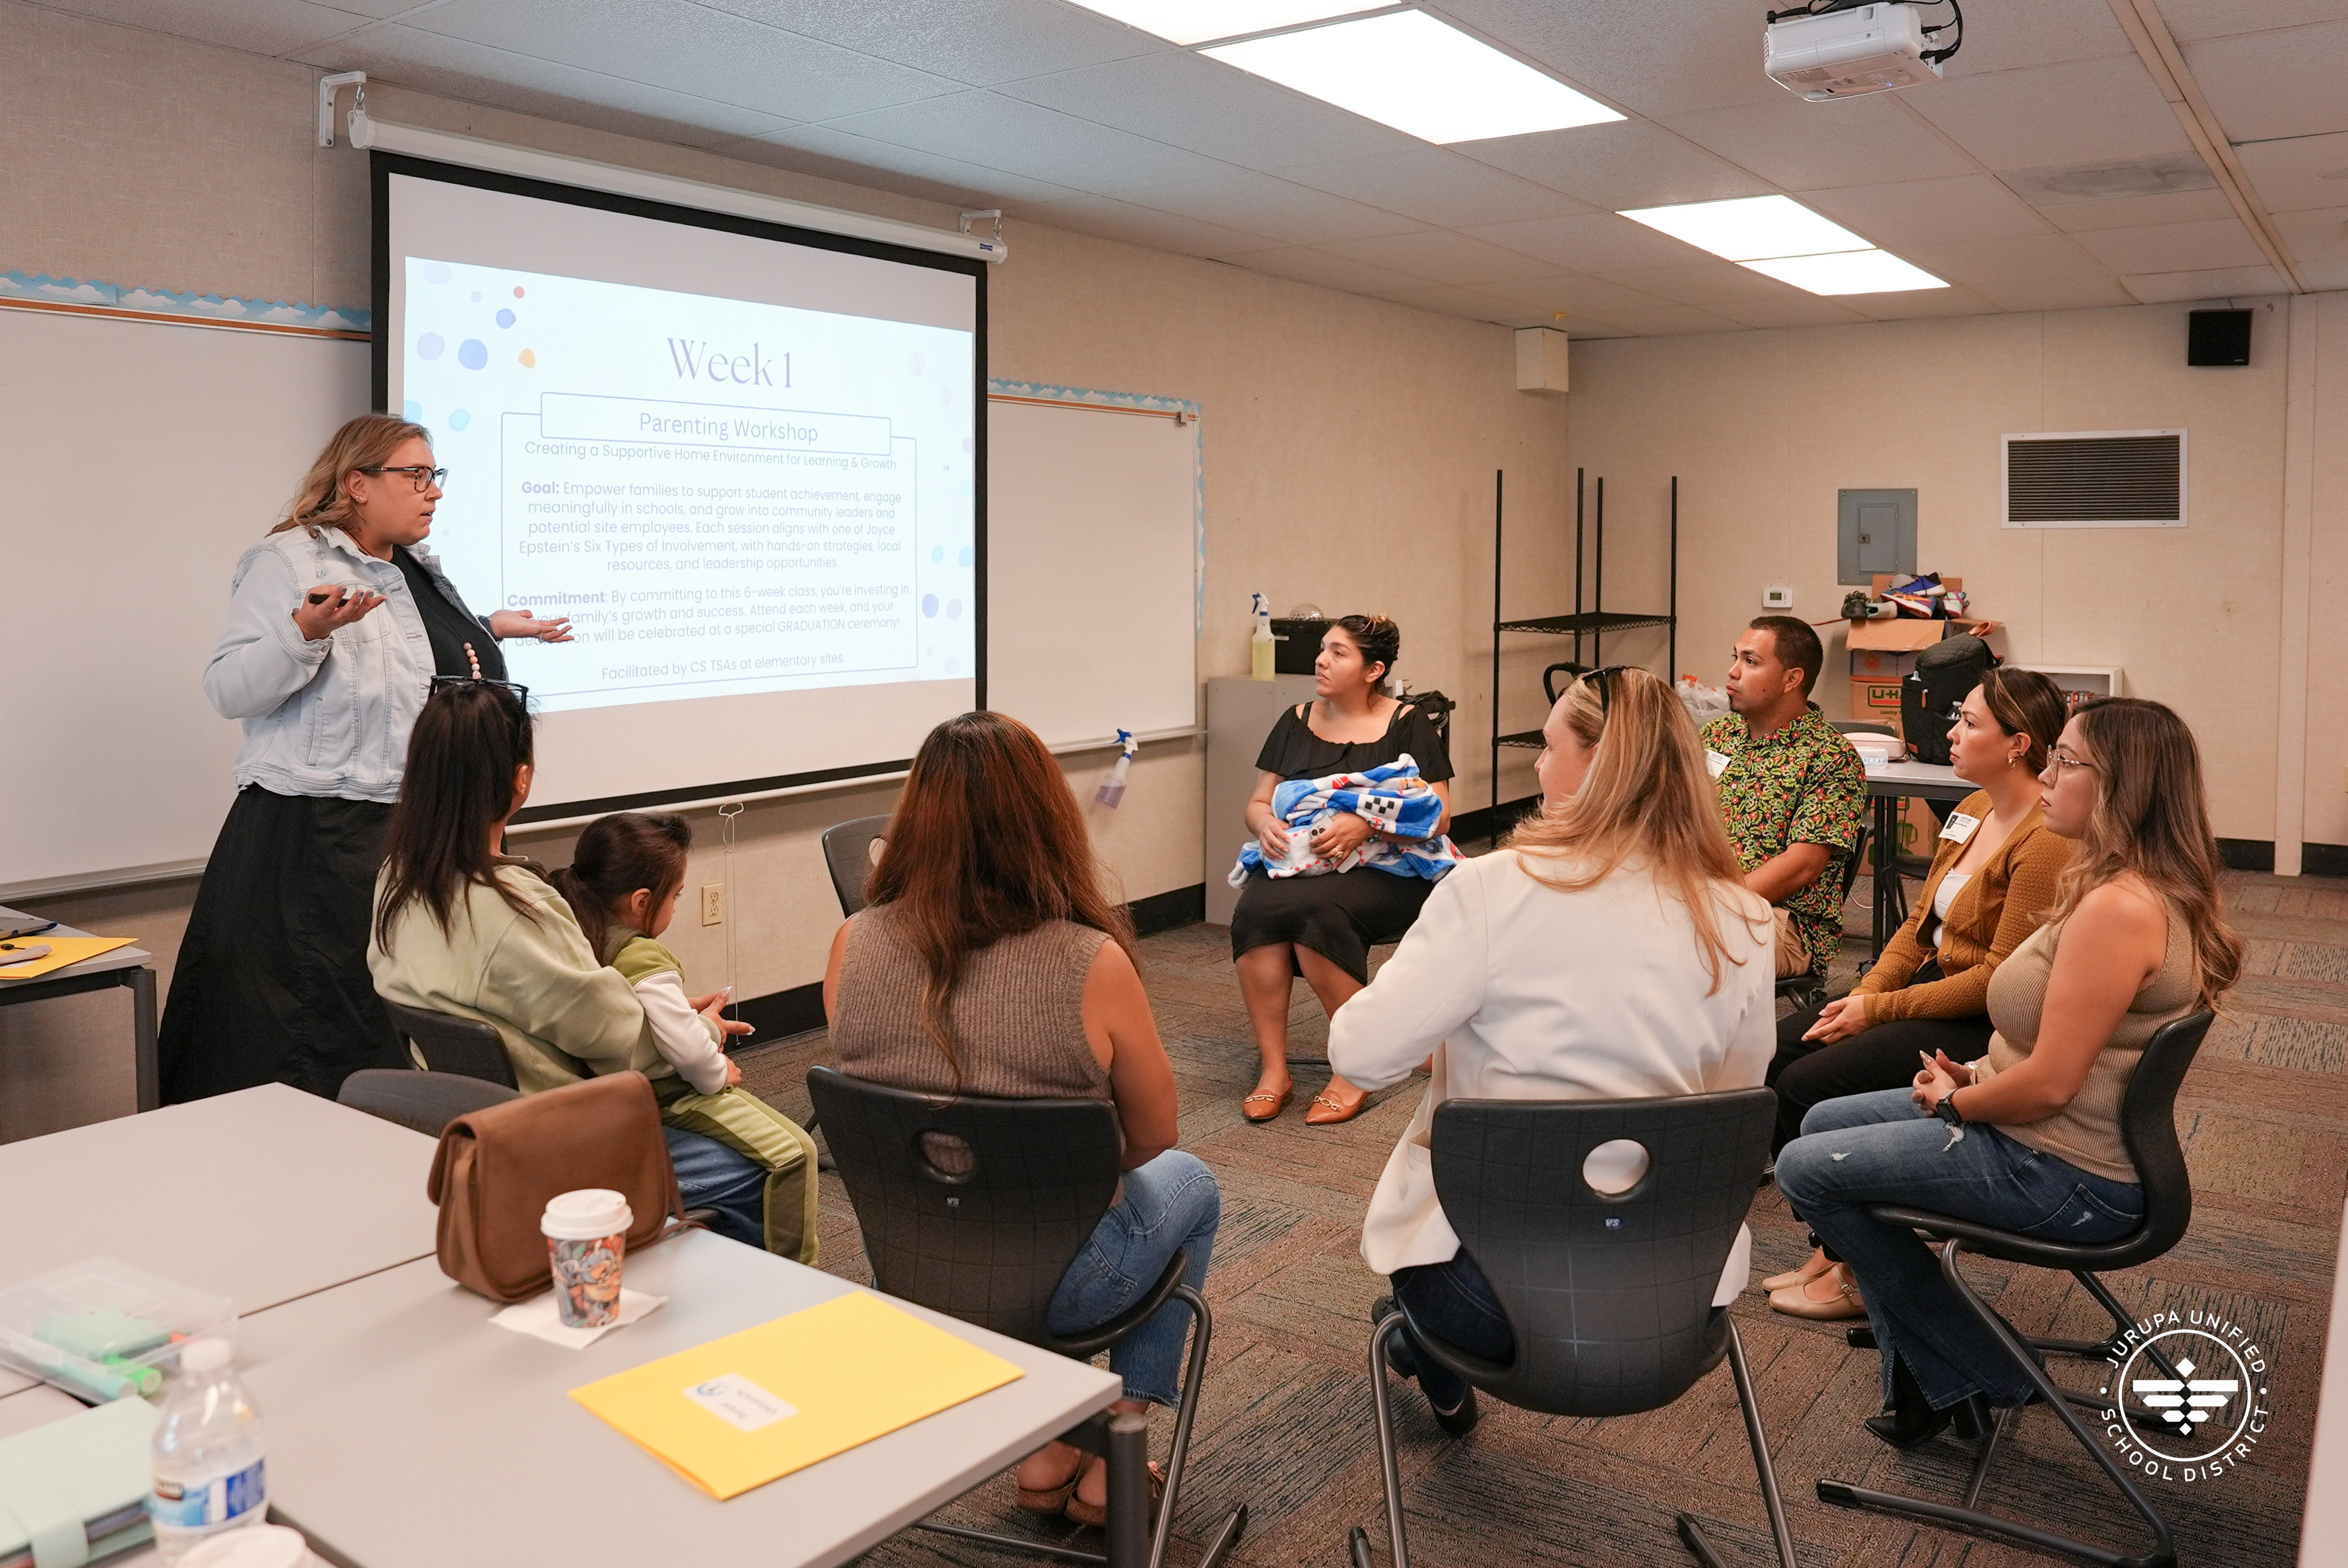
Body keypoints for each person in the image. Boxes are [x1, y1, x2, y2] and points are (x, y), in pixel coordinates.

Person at [1774, 698, 2242, 1448]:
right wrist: (1974, 1078)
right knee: (1821, 1122)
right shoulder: (2124, 884)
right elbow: (2063, 1058)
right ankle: (1932, 1377)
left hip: (2066, 1171)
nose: (2047, 777)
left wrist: (1959, 1103)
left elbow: (2051, 1086)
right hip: (2055, 1138)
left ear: (2121, 785)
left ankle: (1986, 1368)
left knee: (1807, 1169)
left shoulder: (2119, 909)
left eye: (2067, 762)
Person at [1329, 667, 1775, 1435]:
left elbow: (1361, 1057)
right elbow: (1734, 1098)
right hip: (1679, 1299)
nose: (1539, 767)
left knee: (1427, 1203)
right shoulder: (1744, 919)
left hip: (1494, 1306)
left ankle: (1426, 1350)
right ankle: (1422, 1347)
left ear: (1596, 763)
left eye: (1548, 746)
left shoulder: (1491, 890)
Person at [823, 710, 1218, 1528]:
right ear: (1046, 819)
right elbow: (1156, 1135)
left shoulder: (851, 944)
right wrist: (1060, 1164)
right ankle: (1115, 1448)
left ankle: (1047, 1446)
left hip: (914, 1271)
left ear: (914, 820)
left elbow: (878, 1105)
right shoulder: (1089, 961)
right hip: (1064, 1282)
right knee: (1194, 1186)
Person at [161, 414, 573, 1103]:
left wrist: (488, 630)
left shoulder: (414, 568)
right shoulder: (288, 562)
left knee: (395, 1026)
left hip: (405, 831)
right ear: (358, 483)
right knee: (307, 1039)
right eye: (416, 475)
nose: (433, 491)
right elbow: (228, 689)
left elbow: (404, 664)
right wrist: (304, 632)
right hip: (314, 842)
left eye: (435, 476)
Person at [368, 682, 770, 1249]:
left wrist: (669, 1012)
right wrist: (700, 1031)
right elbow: (618, 1041)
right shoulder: (516, 905)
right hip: (555, 1137)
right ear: (521, 779)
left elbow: (547, 1005)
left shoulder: (397, 882)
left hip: (461, 1125)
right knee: (758, 1169)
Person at [1764, 669, 2074, 1321]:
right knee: (1775, 1051)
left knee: (1806, 1084)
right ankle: (1835, 1242)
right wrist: (1866, 992)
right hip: (1925, 988)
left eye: (1969, 723)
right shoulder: (1973, 808)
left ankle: (1856, 1265)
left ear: (2017, 745)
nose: (1950, 734)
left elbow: (1996, 978)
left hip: (1981, 1017)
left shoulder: (2043, 840)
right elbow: (1917, 924)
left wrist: (1878, 1009)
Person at [548, 811, 822, 1263]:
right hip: (673, 1096)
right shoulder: (644, 957)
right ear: (642, 901)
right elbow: (691, 1053)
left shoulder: (581, 935)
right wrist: (720, 1073)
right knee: (796, 1153)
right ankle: (802, 1272)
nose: (676, 907)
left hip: (620, 1093)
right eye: (675, 896)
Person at [1230, 615, 1453, 1126]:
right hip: (1305, 861)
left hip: (1392, 868)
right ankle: (1274, 1069)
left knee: (1318, 916)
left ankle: (1357, 1067)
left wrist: (1366, 823)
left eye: (1338, 653)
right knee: (1255, 911)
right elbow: (1260, 802)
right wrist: (1265, 824)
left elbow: (1440, 814)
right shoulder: (1295, 719)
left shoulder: (1408, 723)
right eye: (1323, 649)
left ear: (1374, 671)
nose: (1321, 661)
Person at [1703, 615, 1866, 982]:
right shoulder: (1717, 735)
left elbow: (1802, 865)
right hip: (1697, 894)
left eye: (1751, 661)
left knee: (1681, 946)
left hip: (1782, 920)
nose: (1733, 671)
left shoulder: (1829, 756)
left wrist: (1713, 903)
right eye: (1736, 657)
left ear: (1792, 680)